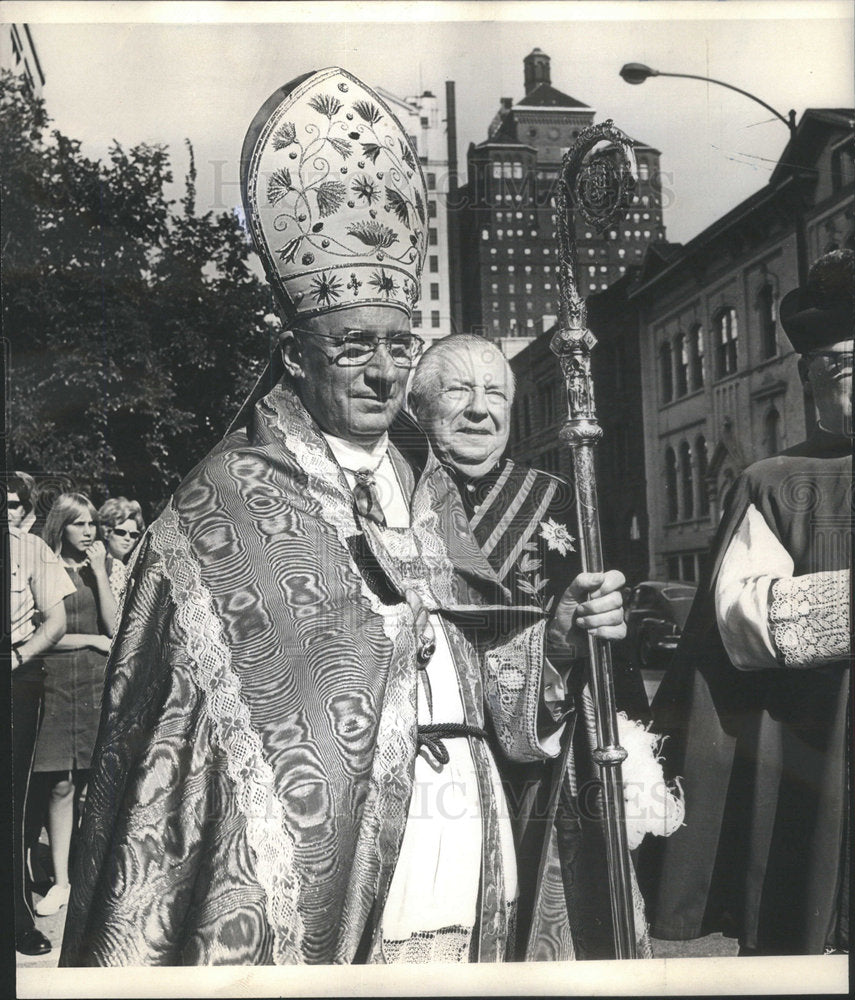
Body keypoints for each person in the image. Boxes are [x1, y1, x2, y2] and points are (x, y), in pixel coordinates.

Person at [60, 67, 629, 967]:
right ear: (293, 353)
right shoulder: (226, 499)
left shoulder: (423, 483)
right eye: (352, 347)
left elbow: (478, 671)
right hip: (321, 869)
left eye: (400, 346)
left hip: (462, 833)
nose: (380, 373)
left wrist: (553, 639)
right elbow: (191, 735)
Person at [410, 334, 653, 960]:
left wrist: (583, 640)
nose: (479, 409)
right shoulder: (389, 494)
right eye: (458, 390)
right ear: (418, 406)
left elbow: (603, 666)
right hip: (418, 766)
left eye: (495, 394)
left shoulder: (558, 500)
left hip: (538, 771)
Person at [641, 248, 854, 955]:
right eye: (840, 367)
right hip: (820, 753)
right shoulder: (774, 480)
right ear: (808, 379)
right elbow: (739, 620)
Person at [30, 493, 117, 918]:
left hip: (94, 685)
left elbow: (113, 626)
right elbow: (40, 635)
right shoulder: (42, 568)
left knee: (88, 783)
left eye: (93, 524)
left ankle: (86, 876)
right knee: (59, 784)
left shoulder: (99, 567)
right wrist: (89, 640)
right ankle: (61, 881)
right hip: (57, 681)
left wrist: (100, 572)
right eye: (79, 524)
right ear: (60, 527)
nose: (89, 532)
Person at [8, 472, 75, 956]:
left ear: (25, 510)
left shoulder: (30, 549)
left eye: (10, 503)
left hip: (14, 676)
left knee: (11, 800)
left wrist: (18, 656)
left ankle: (15, 918)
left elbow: (57, 621)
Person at [96, 496, 145, 599]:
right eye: (120, 532)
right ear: (106, 533)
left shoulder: (127, 568)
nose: (127, 538)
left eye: (133, 535)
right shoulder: (107, 566)